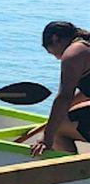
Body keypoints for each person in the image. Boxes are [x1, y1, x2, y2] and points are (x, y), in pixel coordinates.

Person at [31, 21, 90, 155]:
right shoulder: (86, 44)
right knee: (64, 117)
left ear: (55, 39)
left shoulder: (73, 53)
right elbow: (85, 92)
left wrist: (47, 138)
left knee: (58, 129)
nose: (58, 58)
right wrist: (63, 111)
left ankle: (76, 174)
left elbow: (64, 96)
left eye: (52, 53)